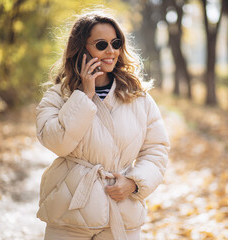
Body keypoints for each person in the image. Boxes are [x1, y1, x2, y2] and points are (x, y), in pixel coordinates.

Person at [35, 10, 170, 240]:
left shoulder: (138, 97)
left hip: (121, 211)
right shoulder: (59, 95)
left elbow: (156, 150)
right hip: (69, 215)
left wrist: (133, 183)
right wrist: (84, 95)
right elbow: (58, 143)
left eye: (116, 43)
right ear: (81, 48)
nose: (111, 51)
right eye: (101, 44)